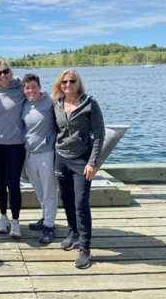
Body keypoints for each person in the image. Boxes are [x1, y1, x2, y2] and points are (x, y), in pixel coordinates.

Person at [52, 68, 105, 269]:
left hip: (82, 159)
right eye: (64, 82)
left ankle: (85, 248)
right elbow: (55, 129)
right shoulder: (56, 104)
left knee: (81, 203)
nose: (68, 85)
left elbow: (99, 134)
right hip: (60, 158)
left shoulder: (90, 103)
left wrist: (93, 162)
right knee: (66, 199)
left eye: (72, 81)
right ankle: (73, 232)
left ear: (77, 83)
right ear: (60, 84)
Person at [0, 60, 26, 237]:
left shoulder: (21, 87)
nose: (3, 75)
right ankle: (3, 217)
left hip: (16, 144)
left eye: (5, 71)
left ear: (11, 71)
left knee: (14, 183)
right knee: (0, 182)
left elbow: (38, 96)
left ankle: (16, 221)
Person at [21, 73, 58, 244]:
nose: (30, 91)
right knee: (39, 191)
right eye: (27, 88)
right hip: (29, 154)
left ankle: (49, 225)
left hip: (46, 153)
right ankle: (45, 217)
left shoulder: (50, 101)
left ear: (40, 87)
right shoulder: (23, 104)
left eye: (33, 87)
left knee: (49, 190)